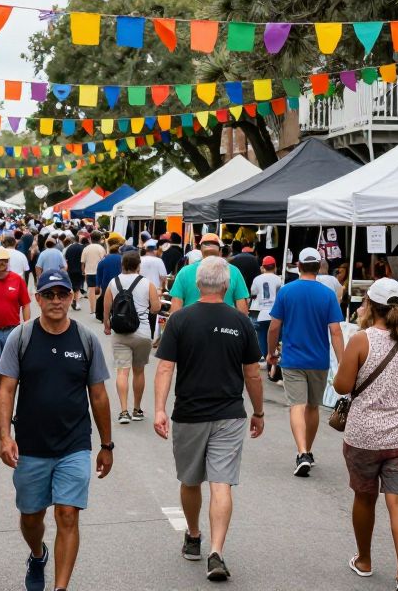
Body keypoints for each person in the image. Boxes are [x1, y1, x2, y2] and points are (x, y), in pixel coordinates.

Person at [0, 270, 112, 591]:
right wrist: (4, 436)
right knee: (31, 517)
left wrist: (107, 445)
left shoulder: (86, 340)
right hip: (30, 446)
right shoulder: (22, 337)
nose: (57, 300)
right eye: (49, 294)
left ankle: (60, 587)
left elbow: (99, 395)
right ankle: (37, 553)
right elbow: (5, 389)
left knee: (67, 515)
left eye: (62, 294)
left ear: (72, 296)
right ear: (38, 299)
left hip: (74, 444)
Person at [154, 257, 264, 582]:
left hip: (189, 413)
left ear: (197, 284)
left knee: (190, 481)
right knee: (221, 482)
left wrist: (159, 408)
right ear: (227, 285)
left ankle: (193, 534)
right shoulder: (241, 321)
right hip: (230, 414)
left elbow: (164, 367)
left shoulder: (179, 320)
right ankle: (216, 551)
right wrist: (258, 411)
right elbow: (253, 374)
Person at [333, 278, 398, 590]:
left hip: (364, 435)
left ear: (369, 306)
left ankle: (364, 560)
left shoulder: (361, 340)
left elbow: (342, 386)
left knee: (364, 498)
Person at [266, 247, 345, 477]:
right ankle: (307, 450)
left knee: (296, 406)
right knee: (312, 407)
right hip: (319, 360)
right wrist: (342, 362)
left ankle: (302, 452)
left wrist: (271, 352)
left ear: (298, 266)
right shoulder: (327, 294)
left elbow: (274, 327)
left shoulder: (286, 292)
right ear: (319, 267)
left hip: (292, 359)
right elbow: (336, 331)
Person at [103, 251, 160, 424]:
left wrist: (107, 324)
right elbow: (156, 307)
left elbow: (106, 307)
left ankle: (123, 411)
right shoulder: (147, 283)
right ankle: (137, 409)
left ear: (122, 265)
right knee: (139, 371)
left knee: (122, 371)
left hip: (120, 332)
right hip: (142, 332)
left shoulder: (114, 282)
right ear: (138, 265)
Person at [168, 234, 249, 315]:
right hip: (224, 325)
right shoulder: (234, 271)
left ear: (201, 251)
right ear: (220, 251)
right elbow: (242, 310)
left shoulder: (185, 271)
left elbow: (175, 307)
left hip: (191, 324)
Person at [250, 256, 282, 360]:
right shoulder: (278, 279)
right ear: (275, 267)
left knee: (262, 337)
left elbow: (253, 292)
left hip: (262, 313)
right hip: (275, 313)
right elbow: (281, 294)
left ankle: (266, 357)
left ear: (263, 267)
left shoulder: (257, 279)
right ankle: (276, 357)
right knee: (277, 336)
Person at [93, 239, 124, 321]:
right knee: (118, 299)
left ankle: (102, 316)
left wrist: (97, 285)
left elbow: (99, 272)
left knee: (104, 299)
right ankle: (116, 315)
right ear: (118, 251)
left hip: (106, 284)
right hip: (120, 283)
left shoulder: (103, 260)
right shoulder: (122, 259)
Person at [80, 232, 106, 313]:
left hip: (89, 272)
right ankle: (98, 308)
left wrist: (83, 271)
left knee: (91, 290)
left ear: (90, 238)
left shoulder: (86, 248)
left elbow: (82, 262)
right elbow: (104, 260)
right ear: (99, 239)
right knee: (99, 290)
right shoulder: (101, 248)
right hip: (99, 272)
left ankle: (92, 309)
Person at [64, 236, 86, 311]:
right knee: (77, 287)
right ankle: (75, 302)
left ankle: (73, 301)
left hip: (70, 269)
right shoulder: (82, 248)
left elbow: (66, 259)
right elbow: (83, 260)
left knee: (72, 286)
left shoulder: (69, 248)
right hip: (79, 270)